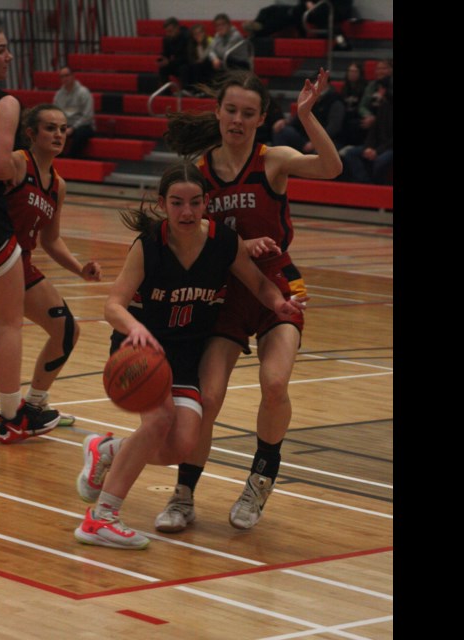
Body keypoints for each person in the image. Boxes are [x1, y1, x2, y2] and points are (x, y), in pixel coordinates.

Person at [72, 162, 307, 549]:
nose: (187, 212)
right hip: (142, 347)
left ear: (206, 204)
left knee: (179, 446)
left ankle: (106, 449)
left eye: (195, 203)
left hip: (187, 351)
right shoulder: (148, 245)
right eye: (177, 203)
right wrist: (136, 328)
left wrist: (279, 304)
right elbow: (113, 306)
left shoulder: (223, 242)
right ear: (163, 203)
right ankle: (101, 518)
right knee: (159, 419)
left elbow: (260, 284)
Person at [154, 69, 342, 532]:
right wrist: (239, 246)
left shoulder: (273, 160)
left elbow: (332, 167)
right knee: (209, 397)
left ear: (260, 119)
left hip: (279, 285)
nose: (237, 120)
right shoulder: (197, 174)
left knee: (274, 384)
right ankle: (183, 495)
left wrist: (305, 114)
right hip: (225, 292)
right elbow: (189, 236)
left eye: (248, 113)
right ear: (218, 112)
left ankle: (261, 478)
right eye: (231, 110)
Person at [0, 103, 103, 431]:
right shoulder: (15, 162)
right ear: (31, 133)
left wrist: (79, 268)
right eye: (50, 128)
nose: (58, 134)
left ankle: (34, 404)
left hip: (20, 264)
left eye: (63, 129)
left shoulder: (58, 185)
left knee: (66, 329)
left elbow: (51, 240)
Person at [0, 20, 61, 442]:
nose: (7, 56)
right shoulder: (3, 102)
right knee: (8, 323)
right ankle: (11, 419)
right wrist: (7, 170)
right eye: (1, 50)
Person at [271, 72, 344, 154]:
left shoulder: (335, 101)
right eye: (315, 83)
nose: (316, 86)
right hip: (306, 137)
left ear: (327, 84)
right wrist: (285, 122)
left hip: (327, 140)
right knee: (282, 131)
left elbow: (333, 128)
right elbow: (299, 118)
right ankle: (281, 163)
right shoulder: (311, 98)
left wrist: (316, 142)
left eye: (319, 83)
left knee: (320, 152)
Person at [339, 75, 392, 184]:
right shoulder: (383, 106)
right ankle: (364, 183)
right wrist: (369, 147)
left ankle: (378, 187)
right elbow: (373, 132)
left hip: (388, 147)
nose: (378, 92)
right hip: (377, 146)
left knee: (380, 161)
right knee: (350, 153)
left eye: (380, 89)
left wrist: (377, 151)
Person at [53, 66, 95, 159]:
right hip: (65, 124)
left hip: (83, 125)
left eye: (67, 75)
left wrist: (73, 128)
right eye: (62, 76)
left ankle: (72, 159)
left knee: (80, 134)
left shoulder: (83, 92)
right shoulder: (59, 95)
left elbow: (87, 116)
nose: (65, 79)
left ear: (73, 76)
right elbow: (55, 113)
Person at [157, 17, 193, 90]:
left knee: (184, 69)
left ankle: (186, 91)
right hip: (175, 63)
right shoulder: (167, 39)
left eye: (170, 31)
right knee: (163, 68)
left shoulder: (187, 36)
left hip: (188, 64)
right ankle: (165, 92)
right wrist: (162, 60)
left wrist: (169, 62)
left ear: (177, 28)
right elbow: (166, 53)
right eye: (166, 32)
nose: (168, 34)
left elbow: (187, 57)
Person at [358, 59, 393, 132]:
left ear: (391, 70)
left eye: (384, 68)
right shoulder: (371, 86)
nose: (380, 71)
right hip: (371, 117)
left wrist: (376, 119)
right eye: (378, 69)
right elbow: (362, 106)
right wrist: (369, 116)